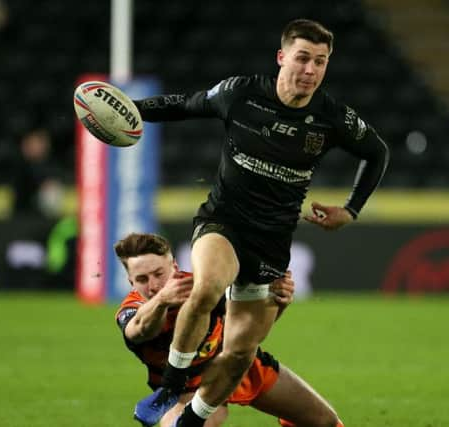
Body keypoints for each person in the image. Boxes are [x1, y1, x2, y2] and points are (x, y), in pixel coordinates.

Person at [132, 18, 389, 426]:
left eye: (320, 62)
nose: (310, 70)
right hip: (223, 222)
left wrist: (351, 210)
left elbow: (377, 153)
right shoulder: (241, 93)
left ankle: (192, 419)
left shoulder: (332, 117)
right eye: (303, 58)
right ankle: (170, 386)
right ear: (281, 57)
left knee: (240, 352)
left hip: (271, 242)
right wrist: (130, 110)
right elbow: (185, 104)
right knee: (208, 286)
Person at [114, 232, 344, 427]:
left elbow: (248, 331)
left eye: (158, 274)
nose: (153, 285)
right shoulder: (133, 309)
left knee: (325, 422)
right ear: (130, 281)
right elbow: (141, 330)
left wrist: (277, 304)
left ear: (174, 266)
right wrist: (163, 300)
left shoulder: (203, 289)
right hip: (187, 389)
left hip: (240, 366)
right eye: (142, 279)